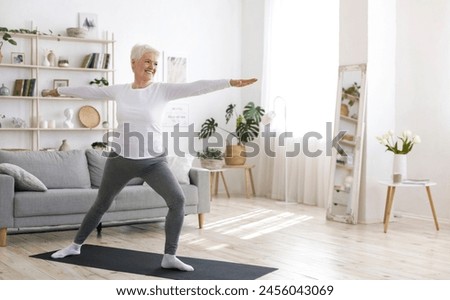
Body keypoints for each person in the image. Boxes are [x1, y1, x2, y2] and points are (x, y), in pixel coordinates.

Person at [46, 44, 257, 272]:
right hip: (120, 159)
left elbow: (196, 88)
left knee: (177, 201)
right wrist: (58, 91)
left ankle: (169, 255)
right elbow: (89, 91)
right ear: (134, 63)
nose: (152, 67)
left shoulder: (162, 90)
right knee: (101, 204)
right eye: (147, 61)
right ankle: (75, 246)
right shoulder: (121, 90)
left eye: (155, 63)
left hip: (153, 162)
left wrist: (229, 82)